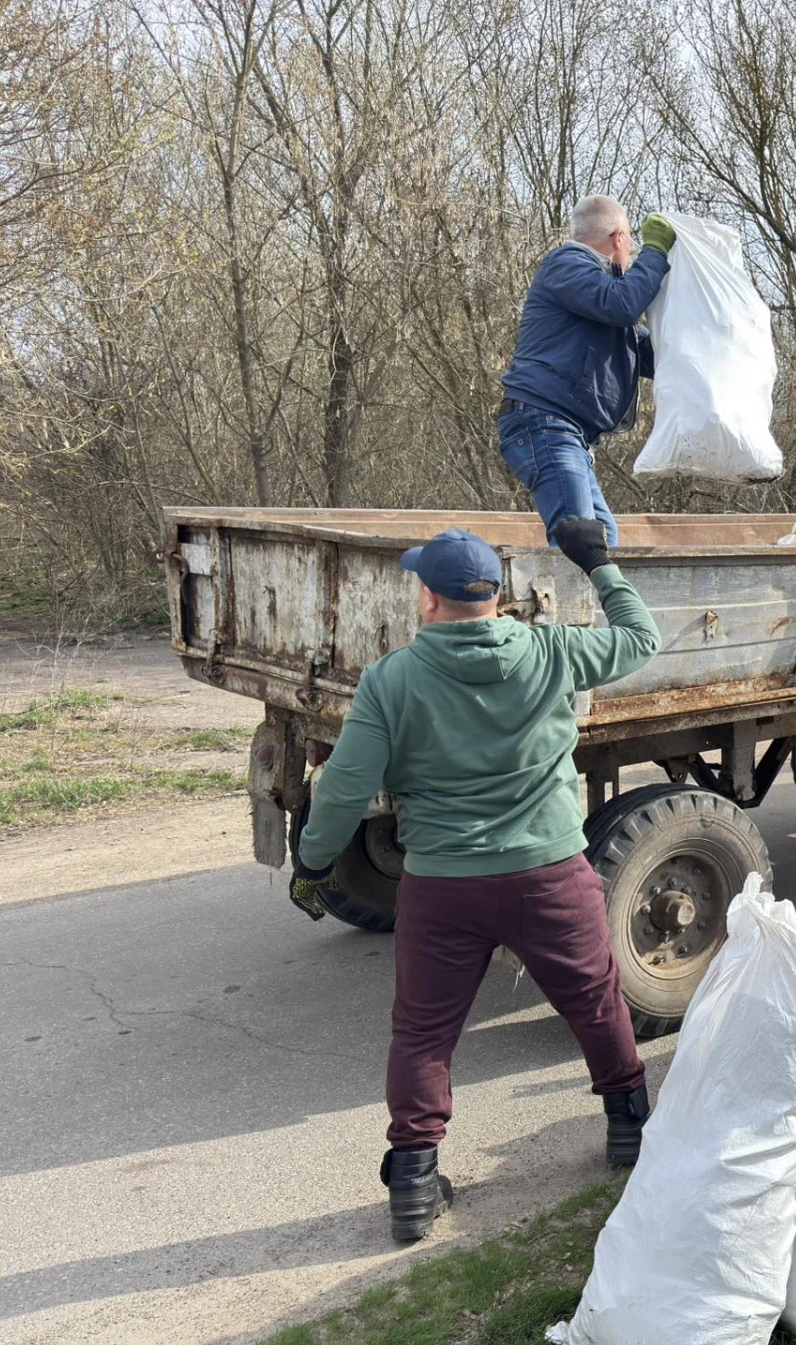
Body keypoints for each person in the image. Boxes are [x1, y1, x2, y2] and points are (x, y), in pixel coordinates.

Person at [289, 519, 661, 1243]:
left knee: (424, 1033)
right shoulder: (555, 652)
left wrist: (312, 861)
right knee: (593, 1000)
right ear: (497, 596)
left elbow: (341, 791)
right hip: (550, 874)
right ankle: (630, 1132)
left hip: (443, 887)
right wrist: (600, 566)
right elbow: (641, 639)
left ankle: (415, 1183)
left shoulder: (392, 680)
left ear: (428, 598)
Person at [500, 196, 676, 548]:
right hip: (546, 423)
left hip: (564, 433)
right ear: (619, 239)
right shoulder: (568, 263)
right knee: (584, 546)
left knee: (602, 540)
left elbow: (648, 354)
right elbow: (622, 304)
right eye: (633, 246)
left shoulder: (597, 296)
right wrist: (656, 253)